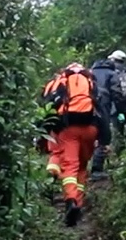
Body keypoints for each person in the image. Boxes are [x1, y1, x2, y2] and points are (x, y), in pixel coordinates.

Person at [39, 62, 112, 226]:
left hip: (68, 129)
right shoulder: (91, 84)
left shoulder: (62, 84)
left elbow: (50, 109)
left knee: (70, 166)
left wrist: (44, 135)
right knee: (82, 167)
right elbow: (102, 112)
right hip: (90, 129)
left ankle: (71, 200)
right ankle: (78, 203)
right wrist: (105, 140)